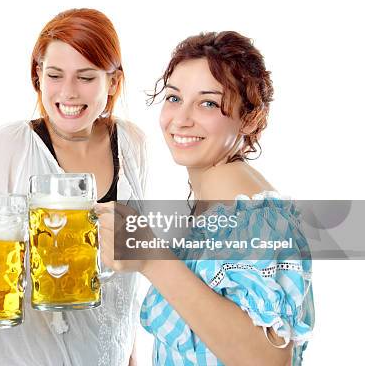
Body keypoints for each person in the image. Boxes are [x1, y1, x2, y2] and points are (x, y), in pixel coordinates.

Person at [97, 31, 315, 365]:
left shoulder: (255, 218)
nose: (181, 119)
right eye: (173, 98)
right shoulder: (211, 207)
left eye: (208, 103)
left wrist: (151, 259)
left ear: (249, 118)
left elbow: (269, 360)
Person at [0, 8, 146, 366]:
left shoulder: (132, 143)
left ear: (112, 82)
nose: (68, 92)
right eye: (55, 75)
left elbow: (128, 283)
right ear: (38, 75)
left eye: (86, 77)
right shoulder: (11, 144)